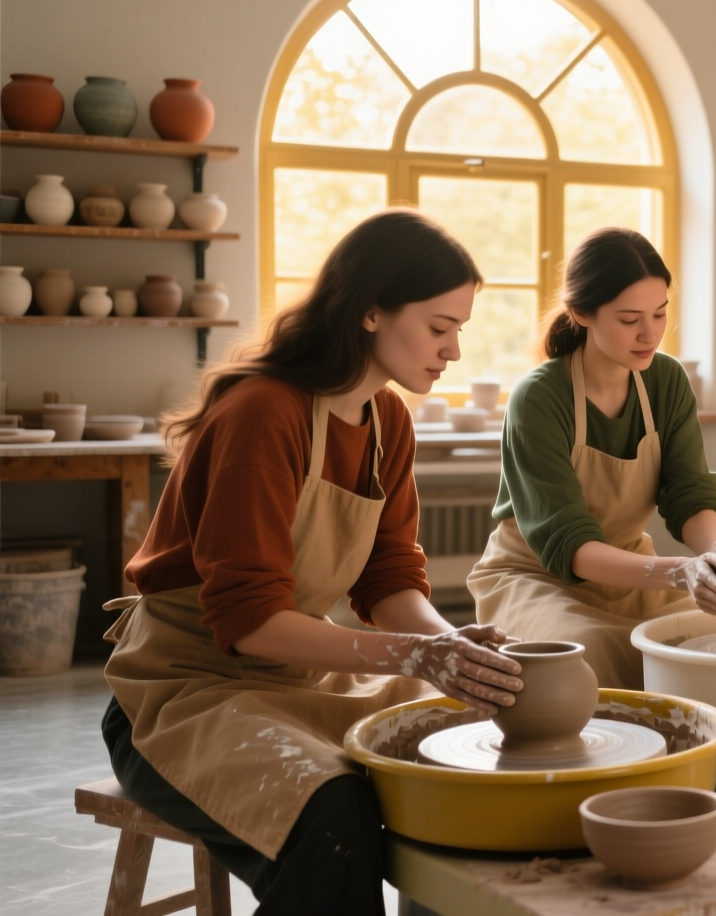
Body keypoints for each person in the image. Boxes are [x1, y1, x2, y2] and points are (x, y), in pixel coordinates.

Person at [102, 209, 526, 915]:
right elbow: (252, 622)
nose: (452, 351)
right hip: (182, 690)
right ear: (369, 312)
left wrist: (449, 646)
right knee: (335, 816)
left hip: (302, 675)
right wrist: (417, 656)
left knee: (473, 760)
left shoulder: (388, 421)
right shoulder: (263, 414)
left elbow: (389, 576)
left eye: (460, 330)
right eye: (438, 327)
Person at [468, 228, 716, 689]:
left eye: (660, 313)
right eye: (629, 318)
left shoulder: (667, 381)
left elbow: (689, 492)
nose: (650, 333)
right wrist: (681, 572)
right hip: (536, 577)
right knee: (586, 657)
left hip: (632, 574)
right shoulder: (538, 397)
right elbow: (569, 543)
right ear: (582, 313)